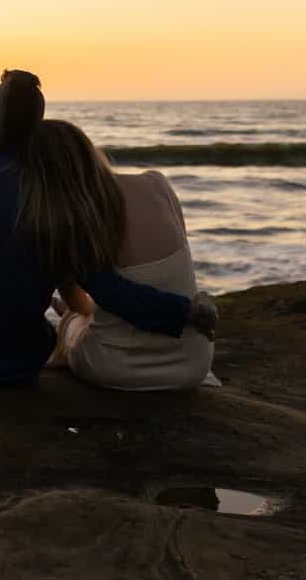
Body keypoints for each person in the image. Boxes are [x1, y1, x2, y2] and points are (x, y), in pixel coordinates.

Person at [0, 70, 215, 390]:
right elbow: (112, 292)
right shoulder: (52, 198)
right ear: (39, 129)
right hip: (17, 364)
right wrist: (186, 312)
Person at [30, 119, 216, 390]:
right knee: (95, 307)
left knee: (72, 324)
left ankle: (68, 318)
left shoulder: (73, 220)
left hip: (118, 367)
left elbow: (112, 295)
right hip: (194, 364)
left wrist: (186, 312)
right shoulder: (157, 183)